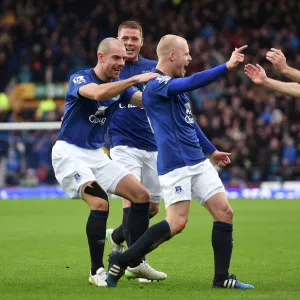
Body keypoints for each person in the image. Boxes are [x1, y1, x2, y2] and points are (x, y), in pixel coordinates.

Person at [106, 35, 254, 290]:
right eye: (186, 54)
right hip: (175, 163)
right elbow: (194, 81)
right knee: (177, 223)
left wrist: (212, 151)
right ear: (172, 55)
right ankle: (122, 259)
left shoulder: (173, 86)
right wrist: (226, 67)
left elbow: (189, 123)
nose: (190, 58)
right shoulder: (155, 84)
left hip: (197, 160)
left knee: (224, 212)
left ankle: (222, 278)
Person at [51, 37, 158, 287]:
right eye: (116, 58)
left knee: (142, 197)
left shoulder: (120, 86)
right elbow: (97, 93)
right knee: (100, 203)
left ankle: (133, 261)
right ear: (101, 57)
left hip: (97, 154)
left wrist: (166, 90)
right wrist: (132, 79)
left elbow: (142, 100)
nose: (121, 63)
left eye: (123, 59)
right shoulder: (81, 78)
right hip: (69, 152)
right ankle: (96, 270)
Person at [105, 21, 166, 282]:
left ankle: (117, 236)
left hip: (152, 146)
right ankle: (135, 261)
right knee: (132, 198)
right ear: (117, 40)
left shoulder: (154, 68)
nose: (129, 43)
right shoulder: (111, 67)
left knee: (151, 209)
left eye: (133, 39)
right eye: (124, 38)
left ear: (142, 41)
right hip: (121, 144)